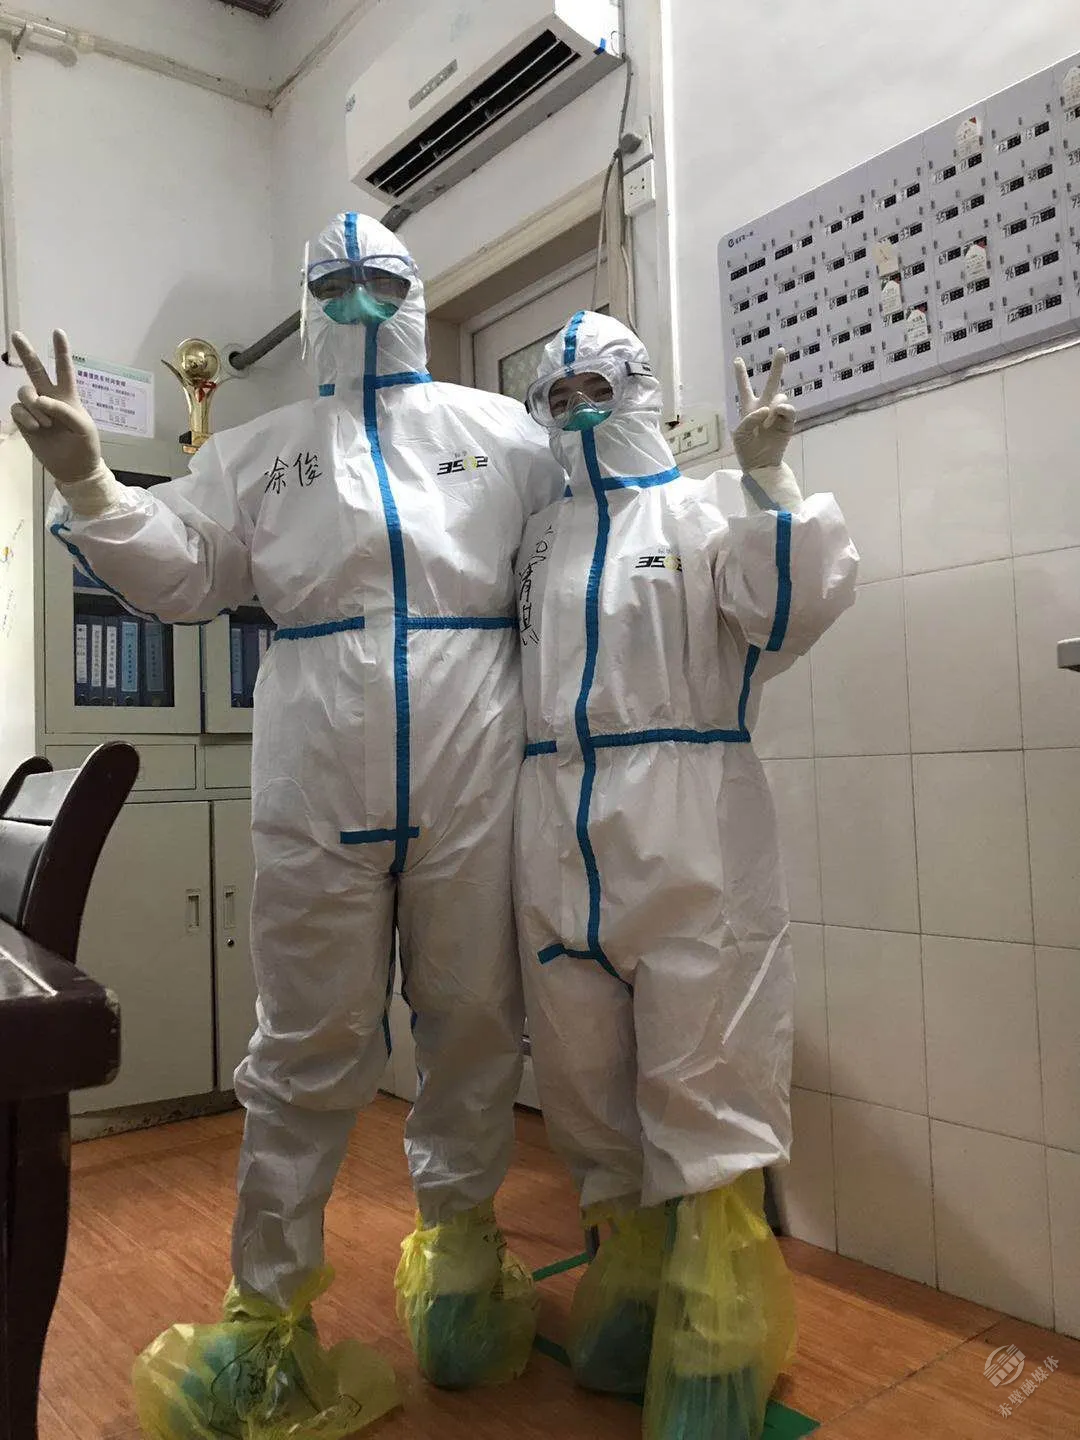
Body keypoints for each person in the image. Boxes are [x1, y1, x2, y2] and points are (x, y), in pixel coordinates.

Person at [10, 211, 566, 1436]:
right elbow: (181, 571)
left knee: (476, 1023)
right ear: (310, 305)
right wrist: (89, 479)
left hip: (478, 758)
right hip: (316, 762)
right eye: (336, 283)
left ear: (415, 296)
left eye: (382, 280)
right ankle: (265, 1322)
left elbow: (572, 571)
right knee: (305, 1045)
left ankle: (464, 1278)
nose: (359, 301)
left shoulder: (506, 435)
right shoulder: (259, 452)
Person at [512, 310, 858, 1440]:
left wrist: (770, 481)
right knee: (584, 1078)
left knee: (704, 1076)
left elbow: (791, 613)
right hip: (555, 820)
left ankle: (715, 1349)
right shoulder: (540, 538)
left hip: (689, 821)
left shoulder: (702, 508)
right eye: (558, 399)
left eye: (597, 391)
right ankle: (629, 1300)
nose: (579, 415)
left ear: (641, 391)